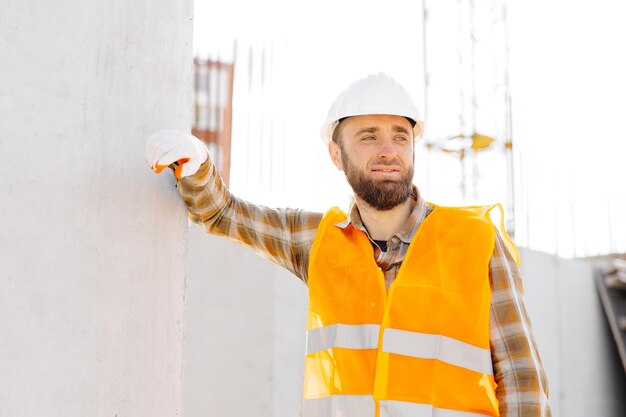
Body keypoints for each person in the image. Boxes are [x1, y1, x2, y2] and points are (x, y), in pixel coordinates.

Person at [145, 73, 551, 417]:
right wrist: (196, 165)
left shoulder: (475, 239)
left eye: (400, 136)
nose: (389, 151)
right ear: (336, 155)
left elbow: (521, 377)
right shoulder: (319, 240)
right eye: (369, 137)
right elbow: (224, 214)